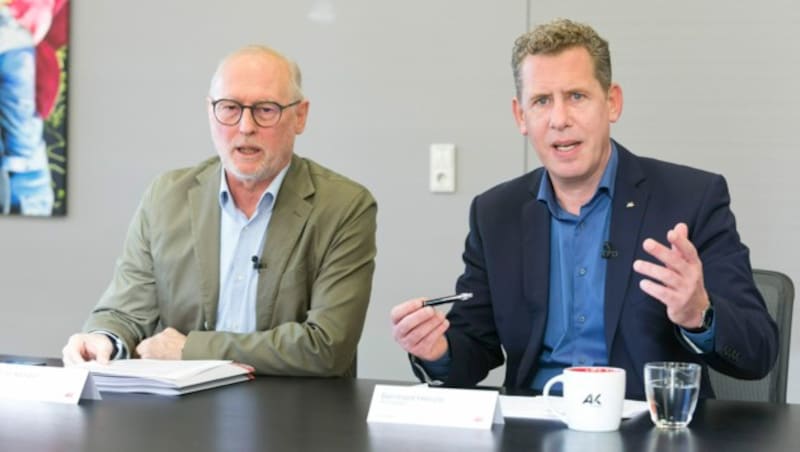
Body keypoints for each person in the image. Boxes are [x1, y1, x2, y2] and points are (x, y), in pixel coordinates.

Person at [390, 18, 778, 399]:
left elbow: (758, 353)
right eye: (542, 101)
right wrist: (437, 352)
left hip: (649, 431)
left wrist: (701, 314)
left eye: (577, 96)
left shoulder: (691, 198)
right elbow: (474, 345)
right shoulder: (495, 213)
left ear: (612, 103)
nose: (560, 120)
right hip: (533, 430)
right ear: (521, 116)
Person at [62, 45, 377, 377]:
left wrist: (191, 350)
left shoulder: (344, 206)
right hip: (181, 413)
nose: (245, 127)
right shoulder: (166, 197)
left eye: (266, 110)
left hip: (294, 414)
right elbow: (125, 311)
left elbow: (327, 346)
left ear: (300, 116)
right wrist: (102, 338)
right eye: (229, 108)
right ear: (210, 111)